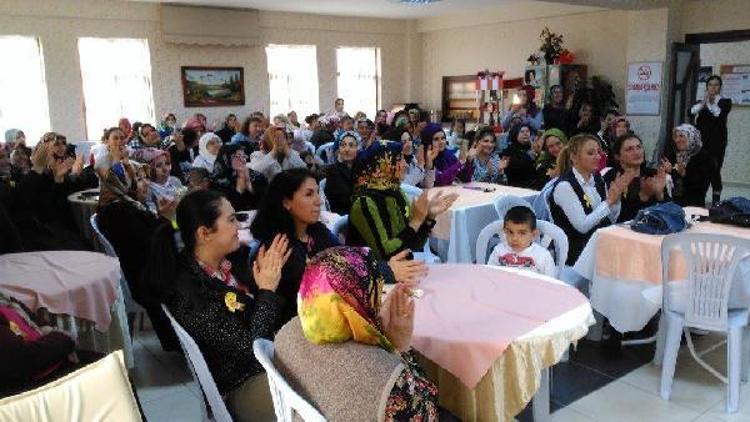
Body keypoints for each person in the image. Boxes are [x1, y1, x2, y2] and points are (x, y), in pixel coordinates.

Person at [147, 189, 291, 421]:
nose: (239, 227)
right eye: (231, 220)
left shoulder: (227, 264)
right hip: (242, 383)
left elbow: (255, 316)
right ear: (205, 233)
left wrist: (260, 284)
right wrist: (266, 291)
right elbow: (252, 350)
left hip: (268, 364)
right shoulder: (189, 292)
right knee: (318, 402)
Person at [274, 246, 439, 421]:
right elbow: (428, 413)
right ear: (359, 299)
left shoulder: (287, 332)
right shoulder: (387, 378)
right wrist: (399, 347)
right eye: (375, 290)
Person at [96, 162, 178, 351]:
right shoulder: (118, 212)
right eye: (139, 179)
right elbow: (149, 247)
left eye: (145, 178)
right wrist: (166, 219)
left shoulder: (128, 206)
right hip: (148, 279)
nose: (146, 183)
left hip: (148, 271)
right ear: (123, 182)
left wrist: (160, 217)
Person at [250, 168, 340, 323]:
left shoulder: (317, 232)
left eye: (317, 192)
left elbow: (346, 260)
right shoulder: (277, 249)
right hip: (300, 328)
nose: (318, 201)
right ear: (286, 203)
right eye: (309, 194)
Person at [347, 140, 457, 261]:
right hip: (371, 274)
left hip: (401, 269)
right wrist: (415, 222)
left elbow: (414, 245)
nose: (405, 165)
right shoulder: (364, 202)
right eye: (399, 159)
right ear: (382, 165)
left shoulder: (396, 193)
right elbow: (385, 255)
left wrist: (429, 216)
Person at [549, 134, 631, 265]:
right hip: (575, 256)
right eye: (590, 153)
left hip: (599, 247)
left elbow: (609, 219)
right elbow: (582, 226)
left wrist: (616, 200)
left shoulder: (597, 179)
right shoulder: (565, 186)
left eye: (599, 152)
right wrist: (608, 201)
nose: (598, 157)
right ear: (574, 157)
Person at [14, 133, 90, 251]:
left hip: (64, 231)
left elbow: (70, 200)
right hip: (47, 237)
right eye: (56, 144)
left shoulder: (61, 170)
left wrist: (68, 177)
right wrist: (55, 178)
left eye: (63, 143)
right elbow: (44, 212)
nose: (61, 147)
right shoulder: (35, 177)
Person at [0, 292, 77, 398]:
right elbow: (24, 359)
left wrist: (49, 331)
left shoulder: (5, 299)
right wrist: (65, 339)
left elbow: (35, 320)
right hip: (31, 390)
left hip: (50, 361)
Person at [603, 134, 671, 223]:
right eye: (629, 149)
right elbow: (615, 218)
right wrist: (643, 197)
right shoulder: (613, 177)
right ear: (617, 156)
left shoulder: (652, 174)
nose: (636, 152)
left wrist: (660, 195)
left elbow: (671, 211)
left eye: (639, 147)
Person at [690, 75, 732, 204]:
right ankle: (698, 198)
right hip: (700, 142)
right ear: (707, 87)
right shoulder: (700, 102)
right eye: (710, 85)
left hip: (717, 142)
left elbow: (718, 114)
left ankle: (716, 201)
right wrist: (703, 102)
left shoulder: (725, 101)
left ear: (720, 87)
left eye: (716, 85)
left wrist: (709, 102)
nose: (713, 87)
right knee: (699, 169)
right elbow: (691, 112)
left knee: (714, 168)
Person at [487, 206, 556, 277]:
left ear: (533, 234)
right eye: (510, 232)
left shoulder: (542, 256)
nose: (514, 238)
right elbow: (489, 275)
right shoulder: (498, 251)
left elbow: (551, 282)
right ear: (505, 231)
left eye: (522, 233)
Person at [668, 123, 720, 207]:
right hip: (671, 204)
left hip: (693, 206)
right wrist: (668, 172)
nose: (677, 140)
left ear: (691, 137)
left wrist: (684, 174)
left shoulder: (704, 158)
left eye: (681, 136)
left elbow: (701, 186)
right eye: (676, 137)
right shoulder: (673, 156)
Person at [211, 144, 268, 211]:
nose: (243, 160)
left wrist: (249, 184)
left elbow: (265, 199)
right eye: (237, 157)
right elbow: (227, 208)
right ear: (226, 159)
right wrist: (239, 190)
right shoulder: (218, 181)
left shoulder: (254, 175)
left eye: (243, 156)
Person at [323, 132, 357, 215]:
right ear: (339, 150)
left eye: (351, 145)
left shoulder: (362, 167)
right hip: (343, 216)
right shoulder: (332, 171)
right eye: (343, 145)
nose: (347, 149)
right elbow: (345, 199)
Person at [502, 123, 537, 188]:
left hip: (533, 186)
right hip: (516, 186)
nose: (525, 134)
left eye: (527, 131)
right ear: (515, 134)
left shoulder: (534, 148)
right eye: (522, 132)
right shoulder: (509, 151)